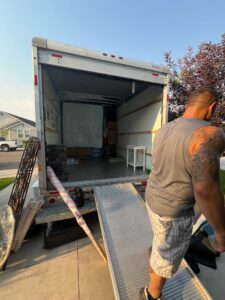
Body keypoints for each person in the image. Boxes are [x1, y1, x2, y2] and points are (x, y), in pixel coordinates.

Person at [140, 87, 225, 300]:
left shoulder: (165, 128)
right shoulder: (210, 134)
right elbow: (205, 189)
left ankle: (157, 251)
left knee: (161, 239)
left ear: (188, 105)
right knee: (167, 261)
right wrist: (221, 232)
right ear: (212, 107)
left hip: (152, 199)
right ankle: (151, 294)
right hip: (173, 212)